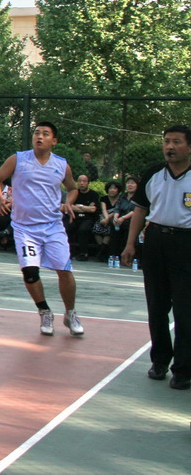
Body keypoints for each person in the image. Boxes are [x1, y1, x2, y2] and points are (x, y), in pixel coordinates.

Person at [0, 121, 85, 337]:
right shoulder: (18, 159)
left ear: (54, 140)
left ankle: (70, 313)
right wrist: (0, 199)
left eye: (45, 134)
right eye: (36, 133)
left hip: (52, 226)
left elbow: (72, 188)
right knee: (30, 272)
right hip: (25, 228)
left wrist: (68, 202)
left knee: (64, 269)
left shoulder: (61, 165)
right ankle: (44, 312)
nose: (39, 136)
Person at [122, 125, 191, 391]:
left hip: (186, 244)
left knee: (185, 310)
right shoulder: (153, 173)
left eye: (176, 142)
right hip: (155, 241)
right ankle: (160, 360)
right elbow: (140, 210)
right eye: (166, 141)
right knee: (157, 306)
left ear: (189, 147)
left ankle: (183, 369)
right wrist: (130, 244)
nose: (170, 147)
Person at [67, 174, 100, 261]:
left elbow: (93, 209)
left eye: (84, 181)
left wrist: (79, 206)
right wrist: (86, 208)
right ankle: (68, 252)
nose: (81, 183)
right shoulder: (74, 194)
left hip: (88, 219)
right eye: (79, 181)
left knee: (83, 230)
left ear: (88, 183)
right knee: (68, 227)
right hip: (74, 217)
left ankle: (84, 253)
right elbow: (69, 206)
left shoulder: (94, 194)